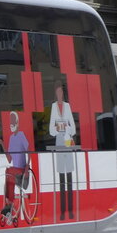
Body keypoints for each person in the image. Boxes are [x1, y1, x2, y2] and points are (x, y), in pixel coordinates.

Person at [49, 82, 76, 219]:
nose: (60, 95)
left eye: (61, 92)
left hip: (67, 142)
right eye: (58, 92)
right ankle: (62, 211)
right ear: (55, 94)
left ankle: (71, 211)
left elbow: (73, 128)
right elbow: (51, 130)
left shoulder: (67, 106)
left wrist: (66, 128)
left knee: (69, 178)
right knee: (61, 179)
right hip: (59, 142)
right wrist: (58, 129)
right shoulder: (54, 107)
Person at [0, 111, 30, 225]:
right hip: (14, 170)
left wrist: (27, 168)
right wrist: (2, 144)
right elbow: (9, 159)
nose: (11, 124)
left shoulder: (21, 135)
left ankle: (9, 204)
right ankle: (8, 205)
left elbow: (29, 151)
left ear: (17, 122)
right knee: (8, 171)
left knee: (10, 172)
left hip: (21, 169)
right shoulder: (11, 138)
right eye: (10, 122)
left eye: (13, 121)